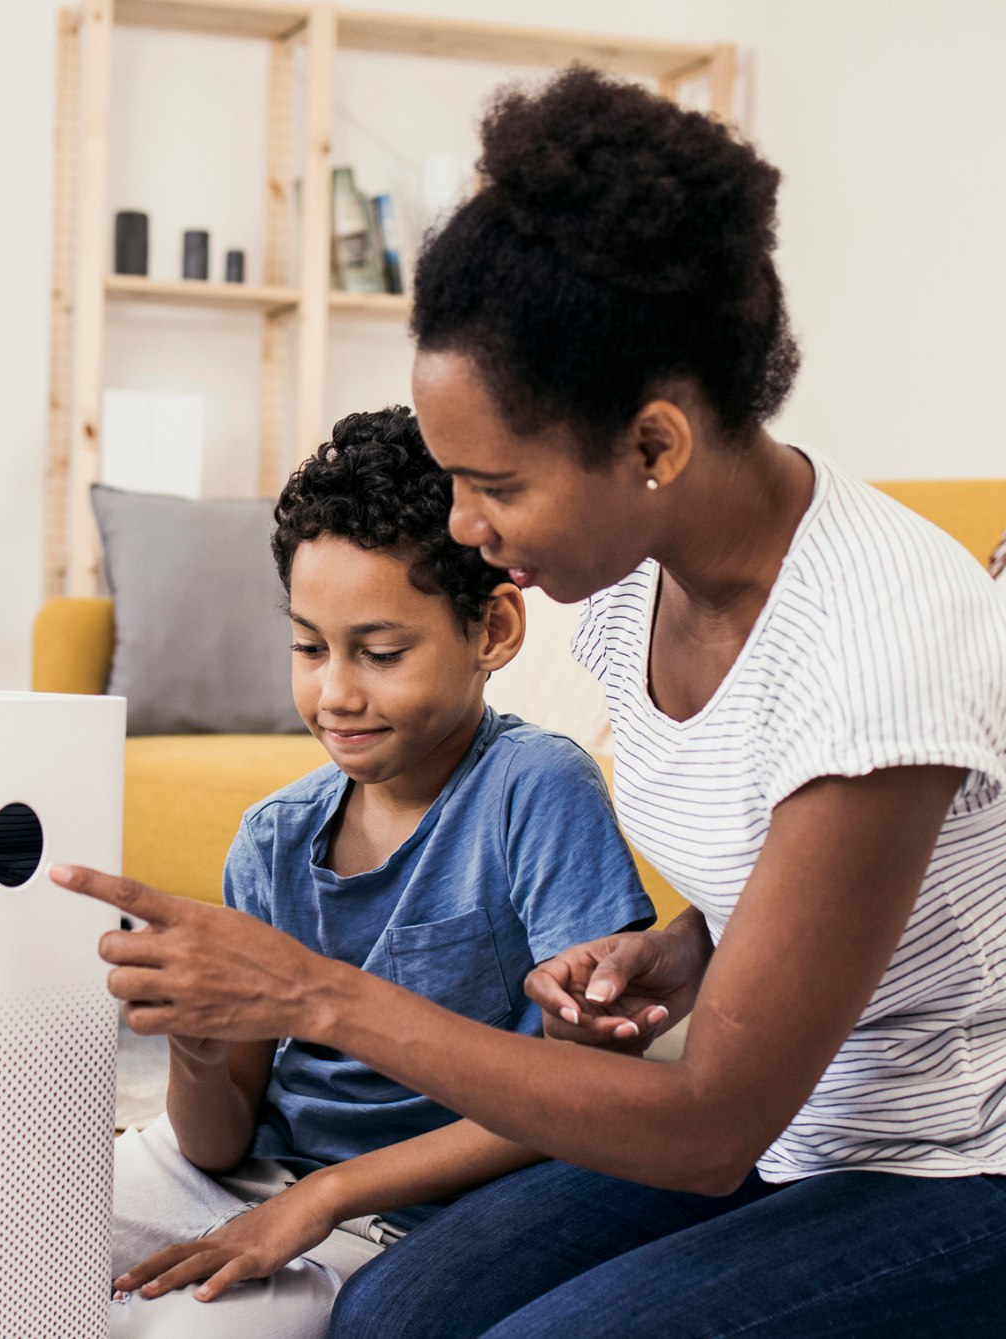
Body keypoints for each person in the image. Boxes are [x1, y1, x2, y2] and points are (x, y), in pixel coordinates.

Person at [62, 67, 1006, 1338]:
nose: (461, 525)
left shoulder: (886, 652)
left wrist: (312, 995)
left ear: (655, 446)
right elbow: (809, 881)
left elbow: (711, 1124)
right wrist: (683, 944)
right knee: (390, 1318)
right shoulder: (626, 585)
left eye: (492, 483)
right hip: (814, 1136)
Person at [106, 407, 657, 1338]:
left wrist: (326, 1194)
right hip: (256, 1169)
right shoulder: (272, 838)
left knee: (189, 1329)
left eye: (382, 651)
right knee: (7, 1226)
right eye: (310, 647)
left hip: (404, 1209)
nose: (336, 693)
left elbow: (591, 1100)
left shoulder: (537, 790)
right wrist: (195, 1046)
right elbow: (219, 1137)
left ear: (492, 629)